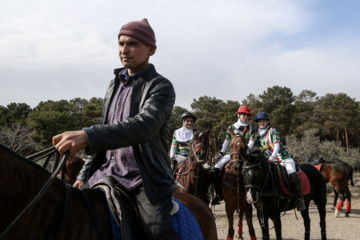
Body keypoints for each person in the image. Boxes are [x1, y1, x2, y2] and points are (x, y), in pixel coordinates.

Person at [52, 18, 180, 240]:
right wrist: (84, 174)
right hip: (105, 173)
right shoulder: (113, 84)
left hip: (143, 179)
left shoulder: (161, 86)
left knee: (156, 230)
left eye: (132, 43)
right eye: (120, 43)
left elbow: (144, 126)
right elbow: (106, 130)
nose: (124, 49)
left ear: (151, 49)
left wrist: (87, 135)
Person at [253, 112, 306, 211]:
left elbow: (276, 146)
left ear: (267, 122)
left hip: (284, 159)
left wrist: (273, 156)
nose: (262, 123)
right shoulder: (258, 137)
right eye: (260, 121)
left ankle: (300, 199)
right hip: (270, 162)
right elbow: (254, 148)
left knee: (292, 175)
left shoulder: (273, 131)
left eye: (264, 121)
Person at [210, 106, 256, 205]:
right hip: (230, 154)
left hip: (245, 154)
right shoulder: (231, 127)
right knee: (215, 170)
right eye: (243, 114)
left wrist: (245, 149)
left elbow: (252, 141)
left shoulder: (251, 128)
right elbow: (227, 141)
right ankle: (218, 195)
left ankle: (255, 194)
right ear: (239, 115)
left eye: (247, 115)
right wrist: (222, 152)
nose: (245, 117)